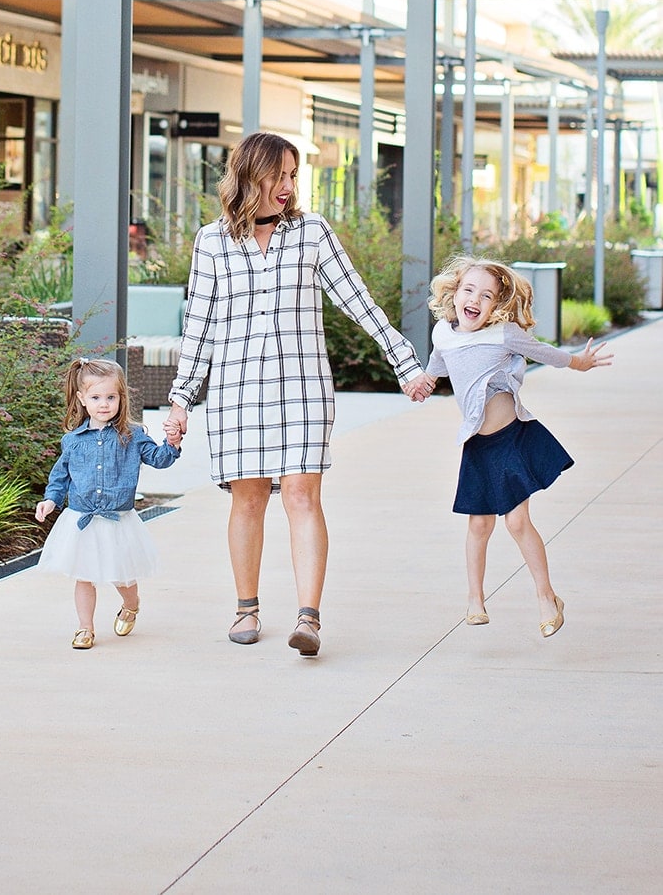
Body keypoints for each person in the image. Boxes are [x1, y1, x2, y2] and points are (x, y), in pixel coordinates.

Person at [165, 131, 432, 657]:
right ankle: (246, 607)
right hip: (236, 388)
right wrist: (180, 399)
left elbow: (358, 301)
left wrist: (404, 363)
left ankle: (308, 618)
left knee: (301, 495)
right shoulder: (212, 241)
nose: (287, 186)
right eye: (278, 175)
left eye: (293, 175)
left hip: (303, 386)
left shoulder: (311, 233)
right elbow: (199, 325)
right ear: (249, 176)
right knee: (247, 501)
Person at [405, 255, 613, 637]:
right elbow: (436, 369)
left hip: (512, 438)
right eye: (469, 290)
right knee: (479, 525)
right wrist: (421, 384)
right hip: (478, 445)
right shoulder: (443, 334)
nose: (475, 300)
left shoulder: (503, 335)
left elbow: (547, 353)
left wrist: (580, 363)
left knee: (516, 521)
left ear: (496, 306)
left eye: (486, 296)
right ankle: (474, 599)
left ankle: (547, 597)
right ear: (454, 292)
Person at [35, 357, 183, 650]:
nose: (104, 404)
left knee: (122, 576)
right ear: (82, 399)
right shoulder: (73, 440)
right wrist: (50, 500)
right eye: (96, 397)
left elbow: (159, 459)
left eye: (111, 397)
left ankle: (131, 604)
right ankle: (85, 628)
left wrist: (172, 443)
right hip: (82, 520)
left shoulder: (133, 436)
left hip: (117, 520)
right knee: (84, 576)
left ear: (120, 398)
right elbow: (60, 476)